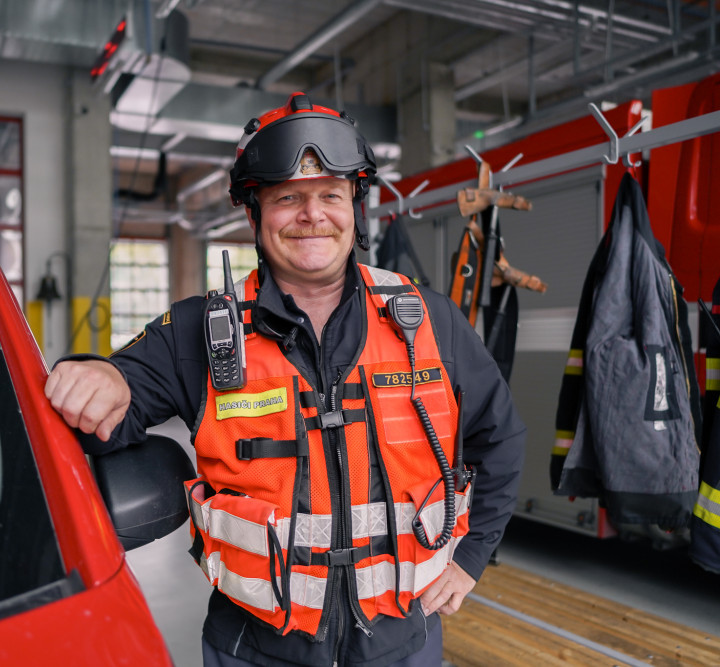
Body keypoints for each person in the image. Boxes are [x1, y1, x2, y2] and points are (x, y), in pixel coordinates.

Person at [46, 92, 526, 667]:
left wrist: (471, 558)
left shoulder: (427, 320)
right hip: (256, 649)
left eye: (330, 195)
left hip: (405, 644)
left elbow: (500, 438)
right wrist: (98, 375)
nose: (312, 215)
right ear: (253, 214)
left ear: (355, 207)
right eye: (288, 198)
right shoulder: (198, 330)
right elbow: (112, 398)